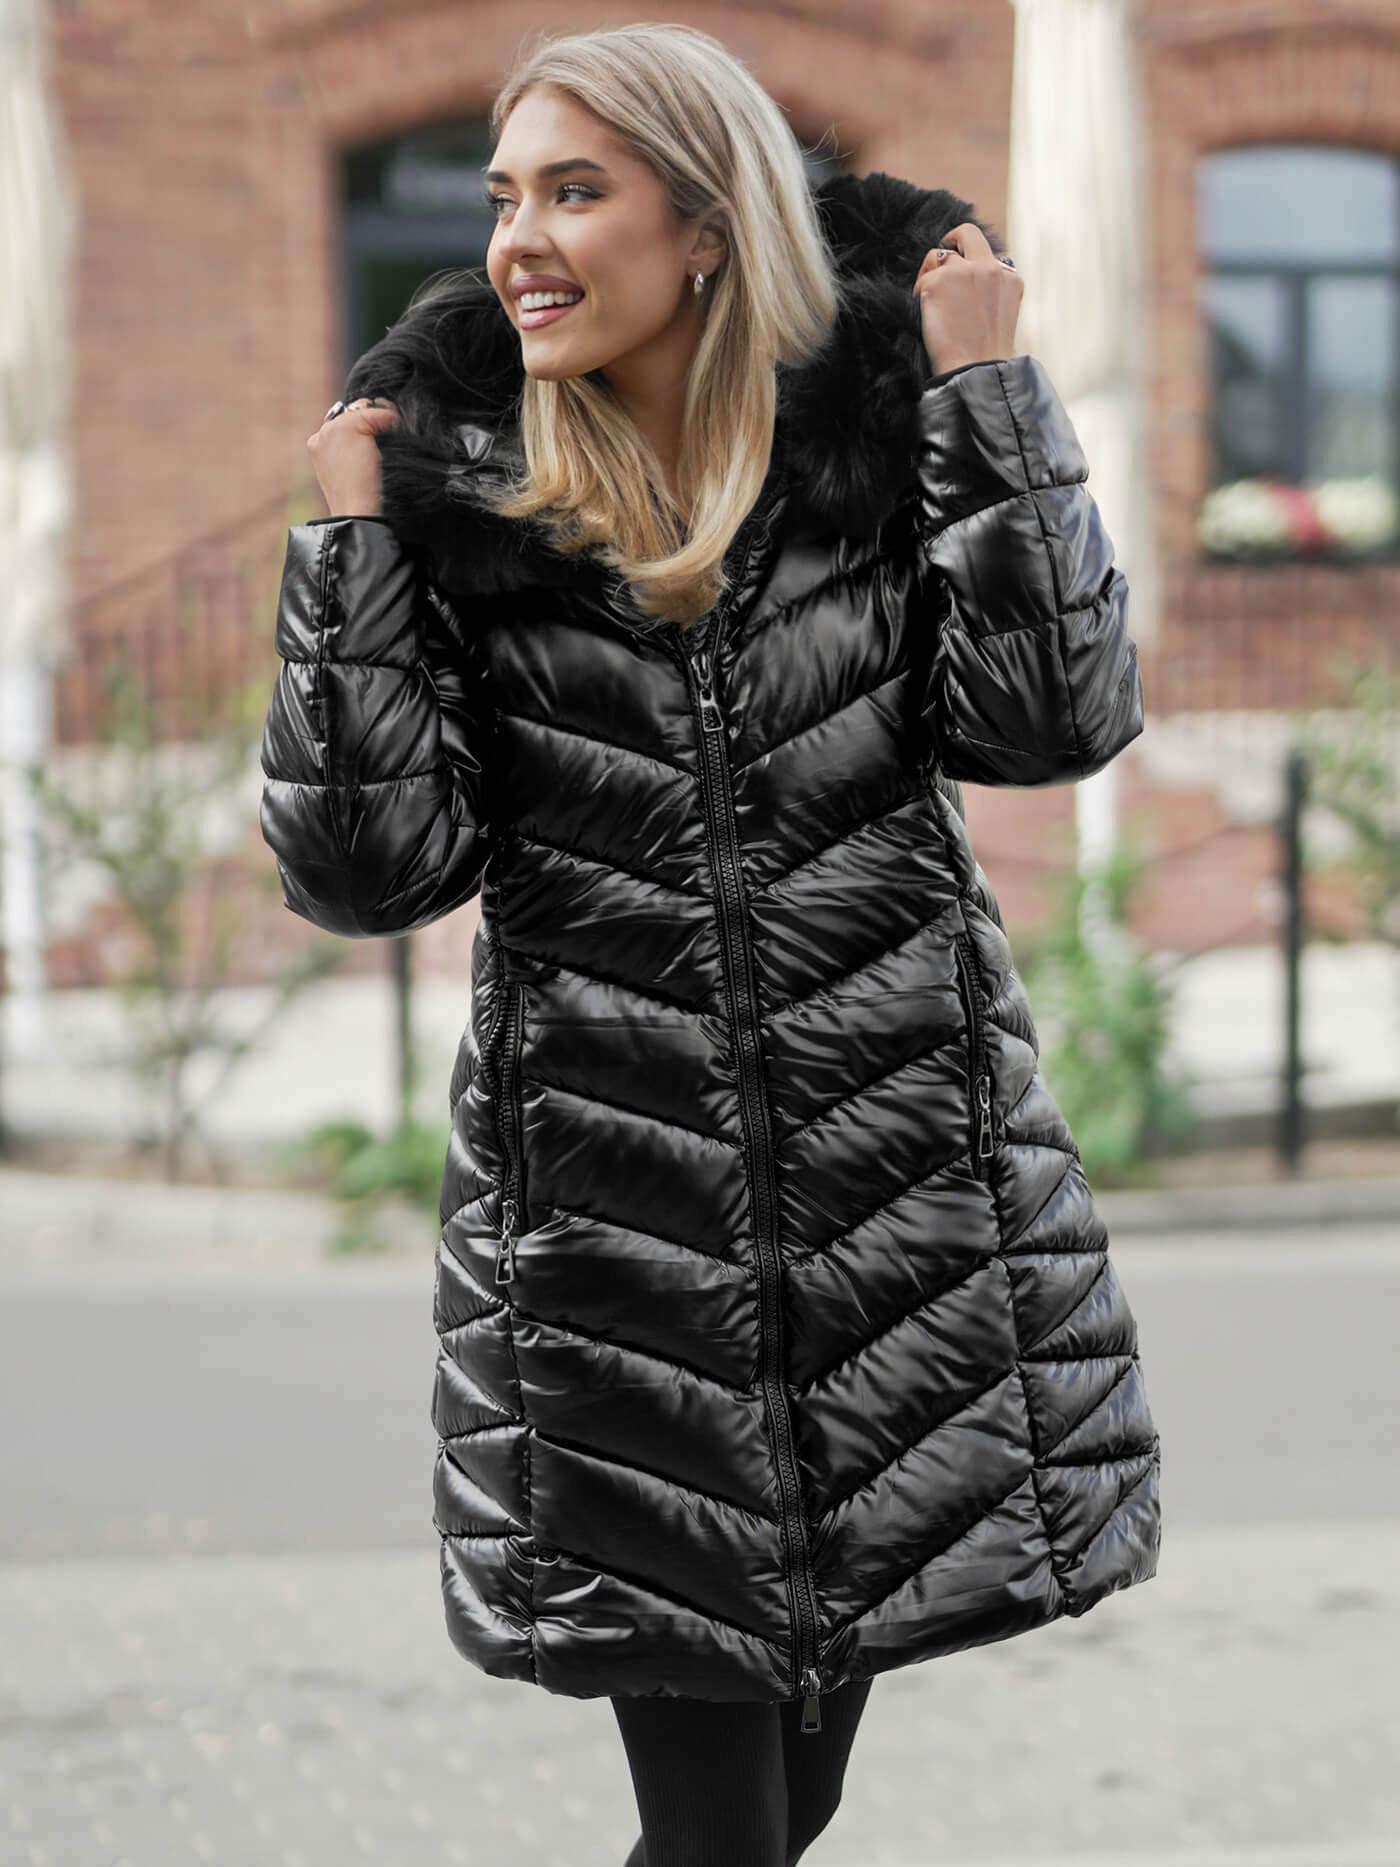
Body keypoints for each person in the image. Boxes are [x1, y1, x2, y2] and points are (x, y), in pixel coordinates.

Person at [260, 22, 1162, 1867]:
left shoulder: (872, 466)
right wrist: (348, 557)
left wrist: (990, 401)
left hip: (894, 1218)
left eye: (573, 191)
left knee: (795, 1800)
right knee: (718, 1835)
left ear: (708, 228)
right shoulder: (461, 504)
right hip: (619, 1245)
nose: (516, 239)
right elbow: (368, 874)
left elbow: (1051, 724)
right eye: (505, 196)